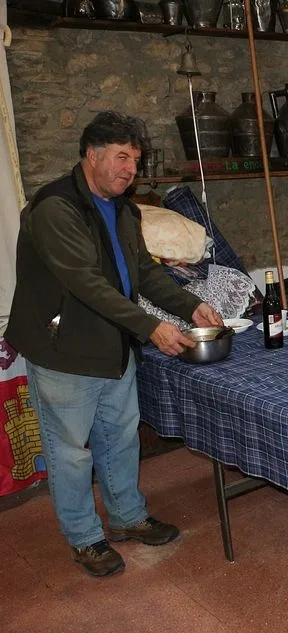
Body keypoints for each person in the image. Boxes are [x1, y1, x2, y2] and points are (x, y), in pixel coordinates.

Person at [5, 111, 223, 578]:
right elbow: (87, 285)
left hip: (112, 345)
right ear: (91, 155)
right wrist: (150, 328)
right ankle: (85, 538)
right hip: (63, 347)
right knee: (71, 451)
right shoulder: (55, 209)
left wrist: (189, 307)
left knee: (121, 438)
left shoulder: (125, 208)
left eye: (135, 160)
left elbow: (143, 273)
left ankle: (127, 517)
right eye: (121, 158)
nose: (130, 170)